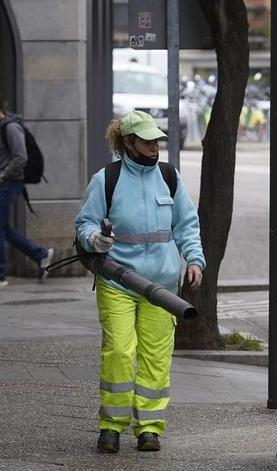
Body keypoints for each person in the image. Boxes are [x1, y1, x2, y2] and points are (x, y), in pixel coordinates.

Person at [74, 110, 205, 454]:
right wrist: (95, 241)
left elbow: (186, 225)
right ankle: (111, 427)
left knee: (156, 357)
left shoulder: (169, 177)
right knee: (119, 351)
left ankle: (149, 427)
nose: (154, 146)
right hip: (118, 282)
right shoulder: (106, 179)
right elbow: (84, 224)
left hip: (162, 288)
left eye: (157, 140)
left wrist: (194, 259)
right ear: (127, 142)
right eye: (146, 141)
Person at [0, 90, 53, 287]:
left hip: (7, 183)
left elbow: (21, 157)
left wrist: (3, 175)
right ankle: (41, 254)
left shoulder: (10, 128)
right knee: (2, 228)